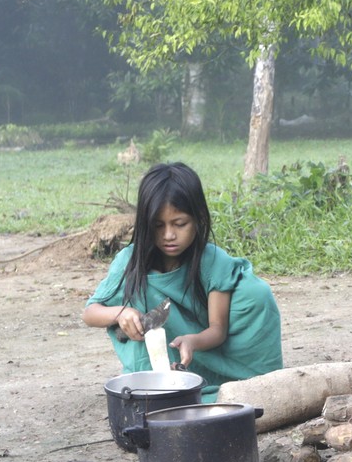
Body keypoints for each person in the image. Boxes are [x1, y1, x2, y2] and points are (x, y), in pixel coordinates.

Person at [83, 162, 282, 398]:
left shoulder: (213, 261)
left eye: (180, 224)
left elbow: (217, 330)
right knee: (135, 294)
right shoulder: (130, 261)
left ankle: (232, 386)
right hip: (153, 369)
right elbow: (90, 313)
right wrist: (120, 314)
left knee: (256, 293)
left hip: (206, 358)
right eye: (158, 226)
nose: (169, 235)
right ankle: (156, 386)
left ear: (198, 219)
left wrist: (192, 342)